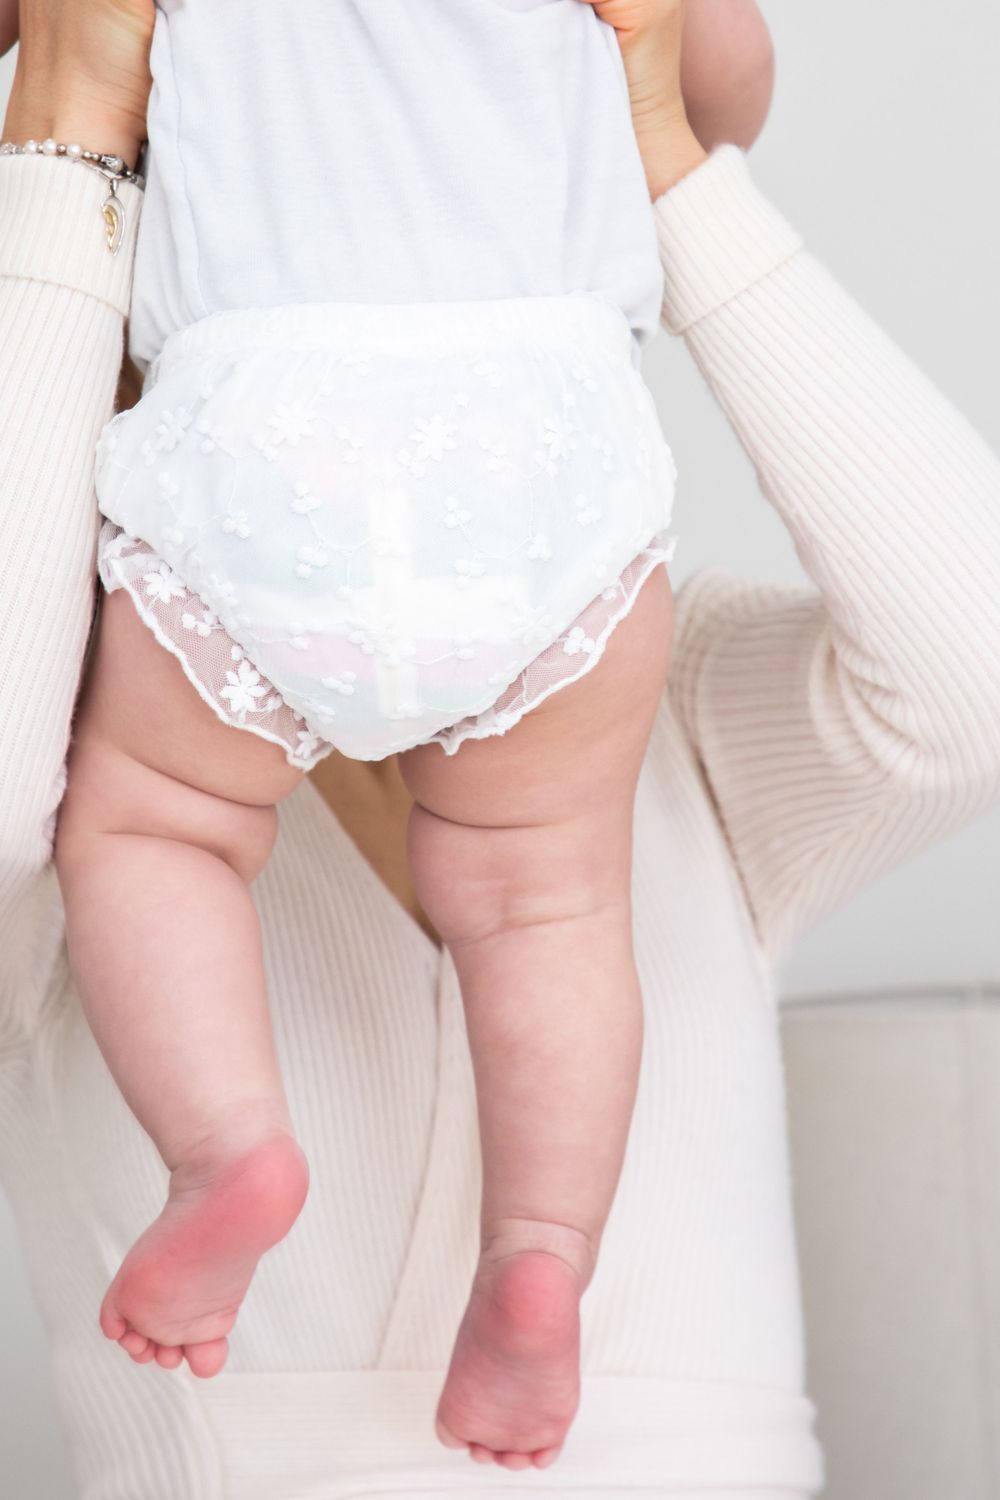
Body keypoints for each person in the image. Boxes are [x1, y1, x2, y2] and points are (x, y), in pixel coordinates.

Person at [2, 1, 998, 1496]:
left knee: (154, 833)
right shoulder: (47, 724)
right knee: (551, 899)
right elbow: (737, 78)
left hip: (243, 435)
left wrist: (76, 111)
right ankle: (544, 1251)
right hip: (544, 458)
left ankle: (224, 1154)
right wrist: (652, 114)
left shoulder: (122, 747)